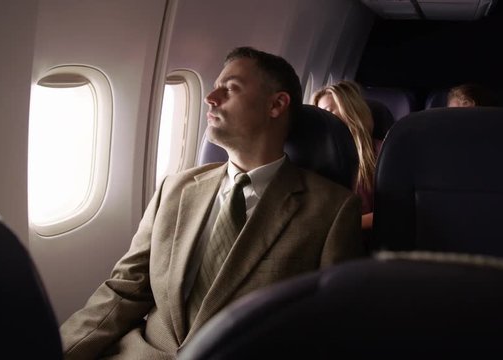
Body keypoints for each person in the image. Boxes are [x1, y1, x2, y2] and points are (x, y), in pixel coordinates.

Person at [59, 46, 363, 359]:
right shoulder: (175, 189)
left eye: (230, 88)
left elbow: (328, 331)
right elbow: (124, 291)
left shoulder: (331, 210)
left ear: (276, 104)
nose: (210, 97)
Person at [312, 80, 381, 232]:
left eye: (328, 112)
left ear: (351, 111)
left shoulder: (383, 152)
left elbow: (393, 212)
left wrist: (339, 228)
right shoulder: (316, 157)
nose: (322, 120)